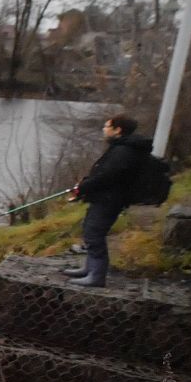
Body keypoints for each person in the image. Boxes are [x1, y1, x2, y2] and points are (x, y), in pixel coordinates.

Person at [65, 113, 152, 289]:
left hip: (110, 200)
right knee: (89, 229)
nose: (104, 130)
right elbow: (103, 174)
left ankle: (96, 276)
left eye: (107, 127)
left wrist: (83, 188)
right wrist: (84, 187)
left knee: (94, 234)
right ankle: (89, 269)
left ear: (117, 130)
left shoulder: (124, 151)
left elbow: (107, 177)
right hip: (104, 198)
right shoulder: (121, 148)